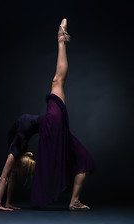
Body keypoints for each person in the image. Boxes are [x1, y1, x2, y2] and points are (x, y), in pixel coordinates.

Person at [30, 18, 95, 210]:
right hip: (54, 128)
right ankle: (61, 40)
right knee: (57, 81)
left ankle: (74, 201)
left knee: (86, 161)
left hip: (54, 129)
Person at [0, 114, 39, 211]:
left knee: (13, 173)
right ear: (20, 166)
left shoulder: (19, 156)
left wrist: (8, 203)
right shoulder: (14, 153)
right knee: (7, 174)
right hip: (26, 122)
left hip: (29, 125)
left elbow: (12, 178)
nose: (21, 175)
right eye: (21, 173)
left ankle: (7, 203)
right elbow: (3, 178)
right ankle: (2, 203)